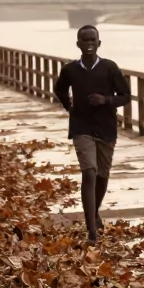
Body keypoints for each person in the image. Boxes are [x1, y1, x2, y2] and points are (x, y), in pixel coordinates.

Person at [54, 26, 131, 245]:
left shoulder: (109, 68)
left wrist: (106, 100)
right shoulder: (70, 69)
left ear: (99, 43)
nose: (88, 44)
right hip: (81, 127)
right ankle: (91, 232)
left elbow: (125, 96)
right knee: (89, 171)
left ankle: (94, 211)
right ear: (78, 44)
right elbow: (59, 89)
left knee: (102, 175)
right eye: (84, 40)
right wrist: (69, 107)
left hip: (106, 126)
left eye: (92, 40)